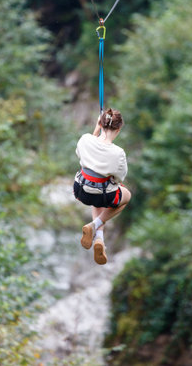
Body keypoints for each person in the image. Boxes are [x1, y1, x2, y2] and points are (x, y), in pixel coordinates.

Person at [73, 108, 131, 265]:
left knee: (97, 194)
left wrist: (96, 129)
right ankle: (95, 224)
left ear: (101, 123)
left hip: (80, 190)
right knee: (125, 195)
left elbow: (82, 153)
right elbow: (120, 177)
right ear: (118, 129)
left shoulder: (85, 139)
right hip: (103, 193)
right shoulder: (118, 153)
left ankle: (99, 238)